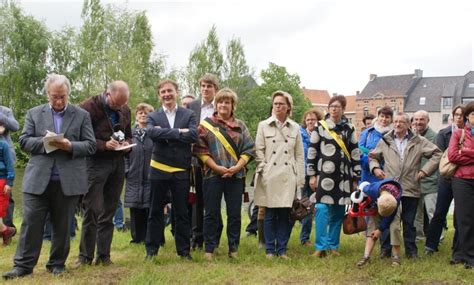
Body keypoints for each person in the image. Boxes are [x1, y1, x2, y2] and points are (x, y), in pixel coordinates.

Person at [3, 74, 96, 279]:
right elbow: (25, 142)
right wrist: (48, 142)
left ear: (68, 94)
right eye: (55, 96)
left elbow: (90, 145)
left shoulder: (81, 115)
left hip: (68, 181)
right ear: (47, 94)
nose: (59, 101)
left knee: (63, 225)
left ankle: (57, 264)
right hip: (38, 179)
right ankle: (23, 266)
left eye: (63, 96)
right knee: (31, 223)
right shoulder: (34, 113)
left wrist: (70, 145)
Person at [369, 112, 441, 261]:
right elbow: (373, 156)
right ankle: (385, 250)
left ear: (409, 124)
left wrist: (424, 171)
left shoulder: (419, 141)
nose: (397, 124)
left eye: (401, 122)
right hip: (390, 189)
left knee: (409, 222)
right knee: (388, 220)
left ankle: (411, 251)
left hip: (410, 186)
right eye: (395, 122)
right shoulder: (386, 140)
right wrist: (375, 168)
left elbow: (437, 154)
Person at [75, 80, 132, 267]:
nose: (120, 107)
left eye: (123, 104)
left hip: (117, 163)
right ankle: (84, 257)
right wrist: (104, 145)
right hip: (95, 163)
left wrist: (126, 145)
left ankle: (104, 255)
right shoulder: (88, 108)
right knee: (92, 209)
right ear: (108, 93)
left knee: (110, 209)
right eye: (116, 104)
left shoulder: (125, 109)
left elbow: (128, 134)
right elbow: (80, 138)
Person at [194, 88, 255, 259]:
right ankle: (209, 250)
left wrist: (237, 167)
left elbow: (250, 149)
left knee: (234, 214)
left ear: (233, 105)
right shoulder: (205, 125)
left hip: (236, 176)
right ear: (216, 104)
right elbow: (200, 150)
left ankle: (233, 249)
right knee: (211, 213)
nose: (223, 105)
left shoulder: (241, 125)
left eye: (227, 102)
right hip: (212, 175)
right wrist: (216, 167)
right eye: (220, 101)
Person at [145, 79, 197, 260]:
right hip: (158, 168)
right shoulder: (153, 115)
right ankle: (151, 251)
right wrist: (178, 132)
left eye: (170, 91)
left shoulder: (188, 113)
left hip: (181, 169)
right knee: (155, 211)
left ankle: (184, 251)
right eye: (163, 92)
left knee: (182, 212)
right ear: (159, 95)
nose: (166, 94)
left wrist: (165, 133)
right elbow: (151, 133)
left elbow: (192, 135)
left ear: (176, 92)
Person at [307, 95, 361, 257]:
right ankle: (320, 247)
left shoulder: (349, 129)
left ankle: (333, 246)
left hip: (343, 177)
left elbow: (355, 152)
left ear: (343, 109)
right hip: (324, 176)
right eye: (332, 106)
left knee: (337, 212)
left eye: (337, 106)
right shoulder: (320, 127)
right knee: (322, 209)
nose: (334, 109)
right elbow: (312, 151)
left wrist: (355, 177)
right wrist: (311, 175)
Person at [254, 91, 305, 259]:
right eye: (275, 103)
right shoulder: (263, 125)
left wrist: (300, 179)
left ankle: (282, 249)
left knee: (285, 214)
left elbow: (299, 155)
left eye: (281, 104)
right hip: (270, 175)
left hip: (287, 175)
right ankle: (270, 249)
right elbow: (258, 150)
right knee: (269, 213)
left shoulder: (295, 127)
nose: (277, 106)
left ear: (288, 107)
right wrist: (264, 168)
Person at [187, 74, 223, 250]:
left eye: (209, 86)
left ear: (215, 89)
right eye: (203, 85)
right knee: (197, 200)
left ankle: (214, 237)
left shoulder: (222, 105)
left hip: (217, 161)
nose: (206, 89)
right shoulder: (191, 106)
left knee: (213, 200)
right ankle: (197, 237)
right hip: (195, 160)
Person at [425, 105, 465, 255]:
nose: (460, 117)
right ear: (453, 117)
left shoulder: (469, 134)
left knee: (461, 214)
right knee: (439, 212)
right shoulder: (444, 133)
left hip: (464, 179)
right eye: (457, 115)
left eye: (462, 115)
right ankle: (430, 245)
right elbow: (443, 156)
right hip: (446, 178)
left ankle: (459, 246)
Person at [358, 106, 393, 257]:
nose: (384, 120)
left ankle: (386, 247)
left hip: (388, 177)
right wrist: (373, 167)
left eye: (387, 117)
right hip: (370, 178)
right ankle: (370, 244)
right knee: (371, 213)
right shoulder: (367, 134)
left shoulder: (394, 134)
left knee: (387, 209)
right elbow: (359, 154)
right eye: (382, 116)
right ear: (377, 117)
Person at [447, 101, 474, 269]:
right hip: (462, 180)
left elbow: (459, 154)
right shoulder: (458, 134)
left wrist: (465, 152)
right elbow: (452, 156)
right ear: (468, 117)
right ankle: (468, 257)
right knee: (464, 219)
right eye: (473, 114)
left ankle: (462, 254)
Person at [124, 103, 154, 244]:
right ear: (136, 116)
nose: (143, 115)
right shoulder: (129, 134)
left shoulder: (154, 134)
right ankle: (136, 238)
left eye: (146, 112)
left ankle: (151, 237)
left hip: (151, 175)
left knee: (150, 207)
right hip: (133, 175)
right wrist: (126, 170)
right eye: (140, 112)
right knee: (135, 208)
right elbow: (123, 154)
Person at [355, 179, 402, 267]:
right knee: (372, 226)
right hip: (374, 204)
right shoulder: (370, 189)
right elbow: (362, 186)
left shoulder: (396, 197)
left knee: (394, 227)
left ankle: (396, 256)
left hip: (391, 208)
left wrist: (380, 229)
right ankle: (366, 256)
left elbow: (390, 216)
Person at [299, 108, 324, 247]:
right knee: (306, 206)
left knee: (320, 207)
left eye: (313, 120)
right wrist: (309, 176)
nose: (310, 122)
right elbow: (303, 156)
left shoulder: (322, 135)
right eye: (308, 120)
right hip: (305, 175)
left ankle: (322, 238)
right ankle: (304, 238)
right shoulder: (301, 135)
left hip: (320, 176)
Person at [412, 110, 439, 241]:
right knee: (417, 213)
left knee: (432, 211)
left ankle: (436, 237)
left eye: (421, 119)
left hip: (430, 181)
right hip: (414, 182)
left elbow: (438, 158)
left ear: (428, 121)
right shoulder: (411, 136)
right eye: (416, 119)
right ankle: (419, 237)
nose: (418, 122)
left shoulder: (435, 137)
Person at [0, 105, 20, 230]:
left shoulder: (6, 111)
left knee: (6, 194)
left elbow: (15, 127)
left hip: (5, 157)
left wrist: (1, 117)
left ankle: (7, 229)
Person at [0, 139, 15, 245]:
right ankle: (6, 231)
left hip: (1, 180)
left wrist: (9, 182)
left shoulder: (3, 145)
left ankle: (6, 231)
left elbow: (10, 164)